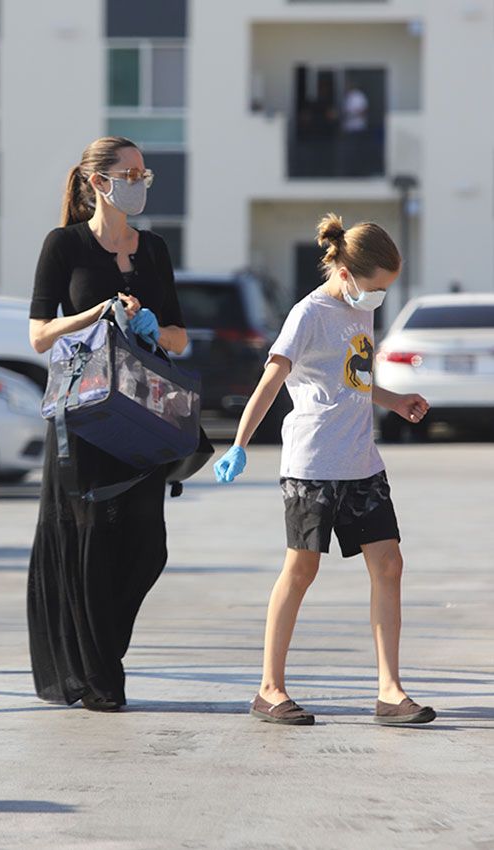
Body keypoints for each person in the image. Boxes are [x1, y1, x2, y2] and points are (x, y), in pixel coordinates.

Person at [214, 213, 436, 727]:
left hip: (361, 460)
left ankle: (390, 691)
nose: (380, 297)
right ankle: (269, 689)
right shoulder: (308, 313)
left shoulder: (361, 310)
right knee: (302, 569)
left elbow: (351, 380)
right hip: (313, 463)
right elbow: (272, 379)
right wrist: (239, 443)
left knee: (389, 565)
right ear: (347, 272)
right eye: (377, 287)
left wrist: (393, 400)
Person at [27, 136, 188, 712]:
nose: (140, 181)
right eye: (131, 172)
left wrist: (147, 326)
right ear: (99, 182)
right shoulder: (64, 245)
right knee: (91, 538)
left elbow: (180, 336)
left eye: (145, 173)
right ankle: (99, 674)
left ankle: (100, 654)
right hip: (85, 414)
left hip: (142, 415)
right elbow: (39, 333)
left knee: (147, 545)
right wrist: (96, 313)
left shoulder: (155, 249)